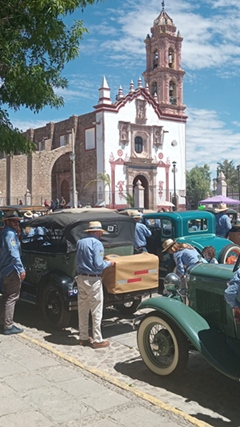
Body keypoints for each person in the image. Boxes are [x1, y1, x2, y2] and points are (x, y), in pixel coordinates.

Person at [76, 221, 115, 349]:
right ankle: (97, 339)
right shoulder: (97, 244)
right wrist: (109, 264)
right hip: (93, 279)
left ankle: (83, 336)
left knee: (83, 309)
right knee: (96, 310)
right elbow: (98, 264)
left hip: (81, 277)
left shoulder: (80, 242)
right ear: (98, 232)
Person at [0, 212, 25, 334]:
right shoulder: (9, 234)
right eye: (14, 221)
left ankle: (2, 321)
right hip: (11, 269)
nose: (17, 224)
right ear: (8, 222)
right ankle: (8, 325)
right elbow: (13, 252)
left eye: (18, 222)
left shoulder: (5, 233)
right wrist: (21, 269)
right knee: (12, 297)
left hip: (4, 268)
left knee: (6, 296)